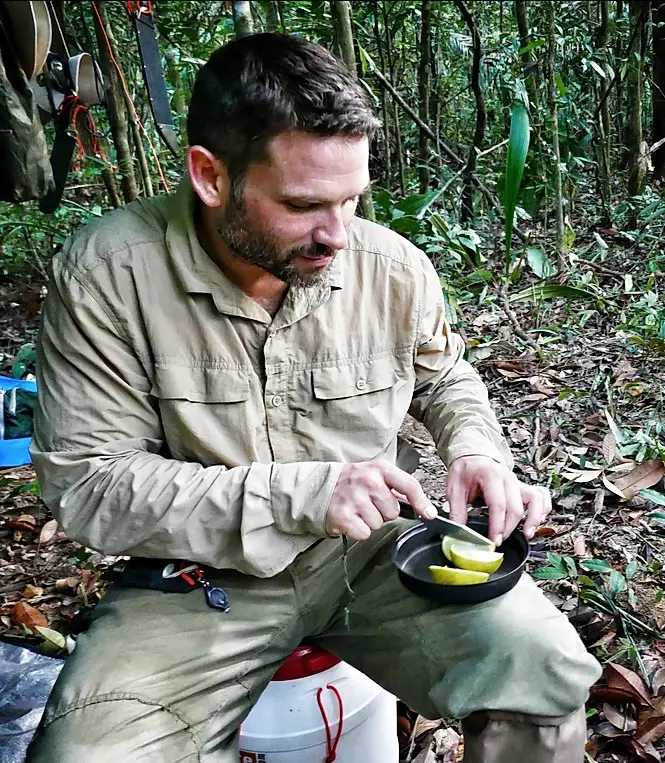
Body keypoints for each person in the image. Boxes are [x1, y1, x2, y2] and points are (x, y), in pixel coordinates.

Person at [26, 32, 601, 763]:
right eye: (302, 205)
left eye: (352, 199)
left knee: (543, 673)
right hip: (198, 575)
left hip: (379, 552)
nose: (338, 235)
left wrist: (475, 448)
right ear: (208, 175)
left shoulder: (391, 266)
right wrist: (305, 493)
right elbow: (90, 484)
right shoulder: (110, 273)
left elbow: (442, 375)